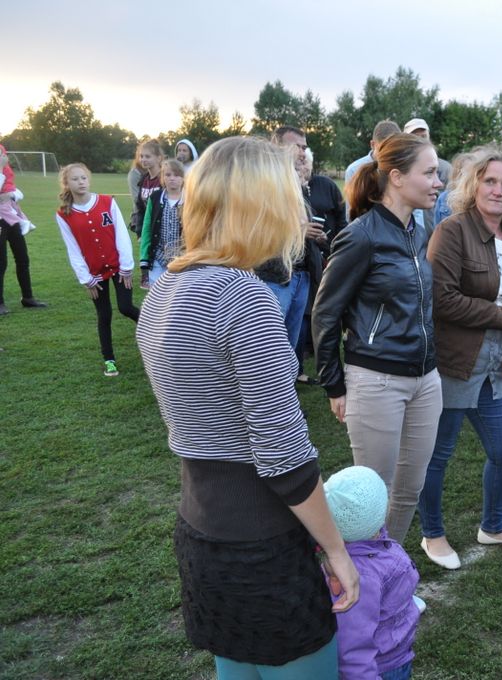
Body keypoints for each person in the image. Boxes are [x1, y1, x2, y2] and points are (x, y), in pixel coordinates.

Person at [135, 136, 360, 679]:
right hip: (261, 540)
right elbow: (283, 454)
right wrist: (336, 549)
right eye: (289, 197)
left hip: (200, 529)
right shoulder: (242, 295)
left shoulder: (166, 287)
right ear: (264, 204)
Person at [312, 133, 444, 543]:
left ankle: (390, 568)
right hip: (376, 380)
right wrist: (334, 385)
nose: (439, 182)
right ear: (397, 177)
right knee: (372, 495)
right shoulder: (361, 235)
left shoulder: (417, 229)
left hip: (426, 379)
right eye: (430, 173)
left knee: (409, 490)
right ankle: (360, 576)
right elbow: (325, 313)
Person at [417, 148, 502, 571]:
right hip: (455, 362)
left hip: (496, 362)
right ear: (473, 185)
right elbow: (441, 299)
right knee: (437, 456)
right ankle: (432, 533)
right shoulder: (451, 231)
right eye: (490, 181)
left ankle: (493, 526)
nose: (498, 190)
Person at [324, 466, 420, 680]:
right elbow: (352, 646)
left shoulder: (372, 541)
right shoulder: (360, 578)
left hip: (393, 654)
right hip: (384, 666)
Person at [55, 163, 140, 377]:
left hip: (119, 267)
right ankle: (109, 360)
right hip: (94, 273)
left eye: (83, 178)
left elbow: (121, 234)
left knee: (125, 307)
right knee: (104, 315)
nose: (80, 182)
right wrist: (85, 278)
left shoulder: (107, 202)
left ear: (89, 179)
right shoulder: (63, 214)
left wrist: (127, 267)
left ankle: (156, 331)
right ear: (67, 183)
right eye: (75, 179)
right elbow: (72, 248)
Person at [256, 126, 325, 361]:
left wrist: (312, 234)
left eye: (305, 148)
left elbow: (299, 222)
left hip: (301, 272)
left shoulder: (296, 179)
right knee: (269, 345)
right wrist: (299, 230)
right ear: (278, 145)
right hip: (274, 274)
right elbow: (258, 225)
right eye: (299, 147)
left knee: (289, 347)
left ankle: (287, 383)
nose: (304, 153)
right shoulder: (263, 181)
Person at [0, 143, 45, 315]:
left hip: (11, 218)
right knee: (1, 262)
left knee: (22, 258)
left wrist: (10, 195)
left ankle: (28, 298)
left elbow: (17, 192)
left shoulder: (7, 171)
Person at [139, 159, 185, 286]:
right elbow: (147, 228)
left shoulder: (190, 199)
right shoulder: (155, 198)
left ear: (183, 178)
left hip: (182, 258)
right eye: (168, 175)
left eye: (177, 175)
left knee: (177, 293)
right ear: (162, 177)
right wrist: (144, 256)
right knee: (156, 292)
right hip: (158, 257)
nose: (172, 178)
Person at [128, 140, 164, 236]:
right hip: (147, 229)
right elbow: (140, 207)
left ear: (158, 158)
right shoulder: (144, 179)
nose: (143, 159)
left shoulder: (165, 178)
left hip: (162, 230)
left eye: (147, 156)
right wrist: (140, 231)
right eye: (141, 156)